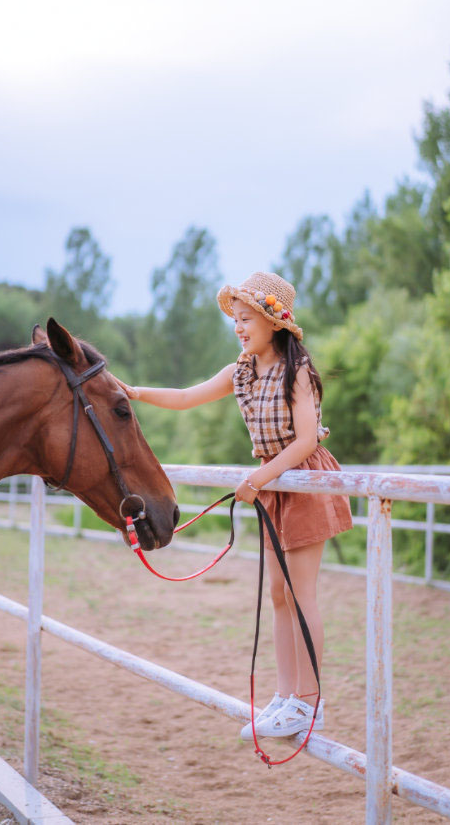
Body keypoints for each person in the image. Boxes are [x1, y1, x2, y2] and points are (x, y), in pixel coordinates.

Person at [113, 271, 353, 739]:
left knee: (301, 595)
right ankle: (286, 698)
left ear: (273, 322)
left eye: (247, 319)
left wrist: (258, 478)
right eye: (236, 320)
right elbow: (186, 397)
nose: (239, 327)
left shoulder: (296, 370)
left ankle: (310, 703)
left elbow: (305, 441)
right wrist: (135, 393)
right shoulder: (241, 371)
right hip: (271, 483)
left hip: (301, 481)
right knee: (278, 595)